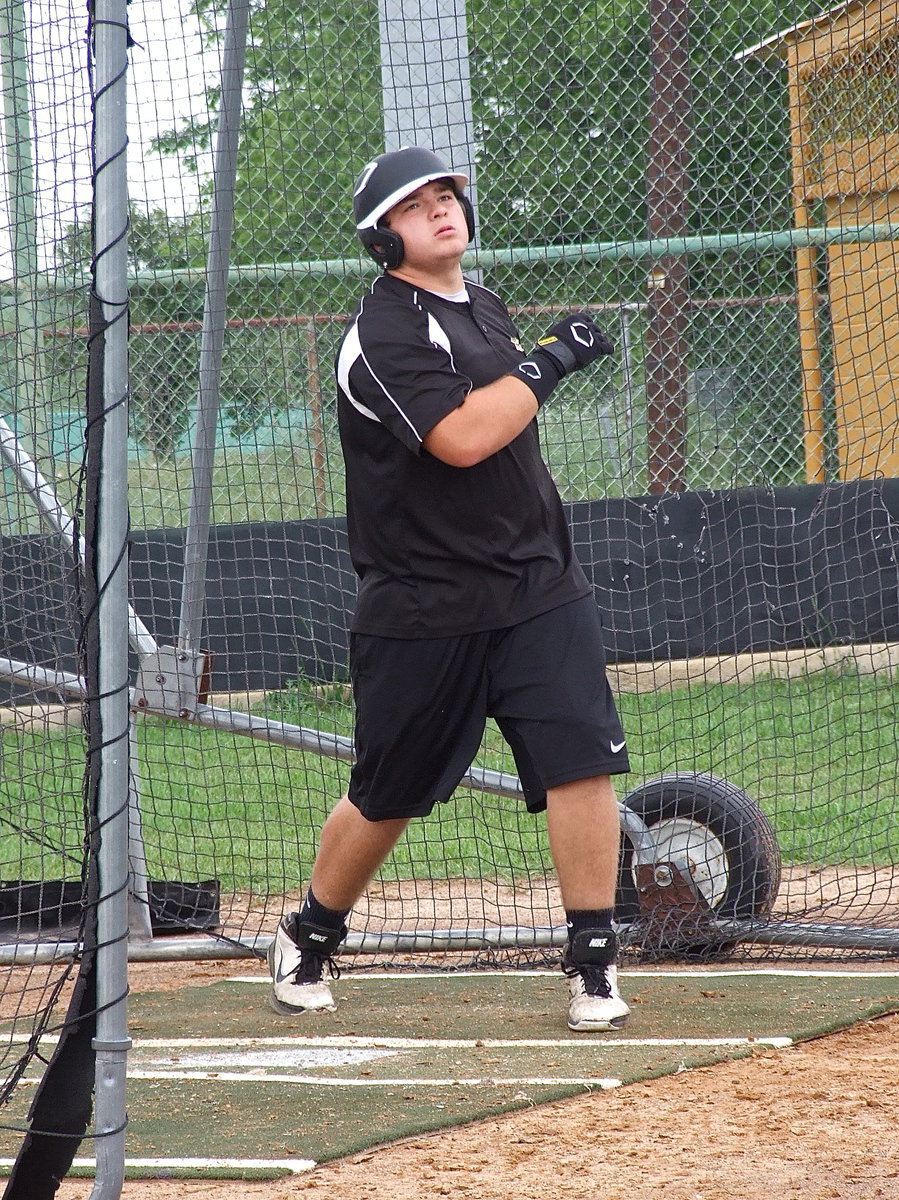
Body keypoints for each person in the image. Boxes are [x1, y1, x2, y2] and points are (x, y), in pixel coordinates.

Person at [269, 145, 631, 1032]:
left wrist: (533, 360)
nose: (440, 211)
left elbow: (502, 419)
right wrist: (552, 360)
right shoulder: (383, 333)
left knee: (583, 760)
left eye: (446, 195)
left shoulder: (482, 306)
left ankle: (592, 962)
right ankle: (310, 933)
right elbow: (464, 437)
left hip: (538, 583)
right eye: (414, 206)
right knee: (389, 789)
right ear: (382, 239)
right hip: (425, 604)